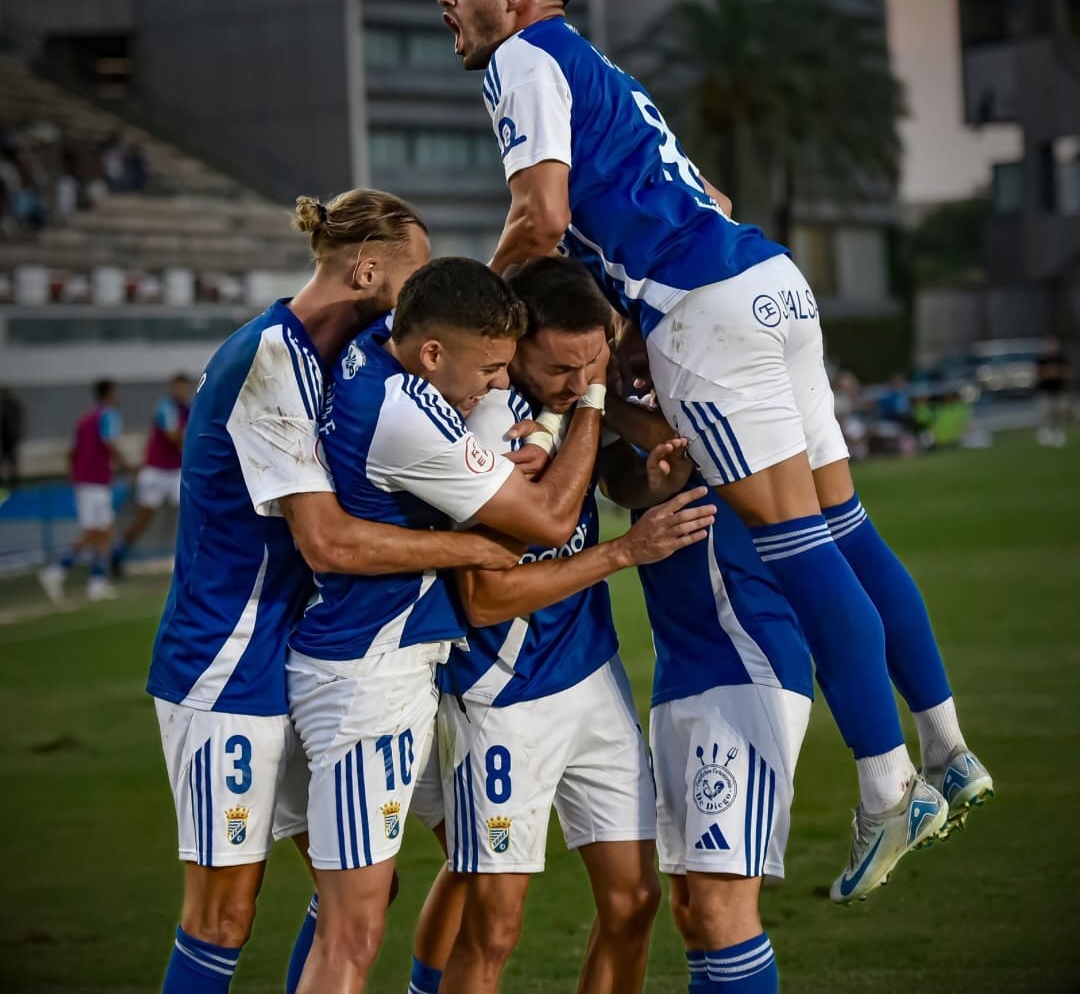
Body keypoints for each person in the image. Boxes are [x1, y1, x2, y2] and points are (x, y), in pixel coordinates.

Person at [439, 0, 992, 905]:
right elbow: (714, 191)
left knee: (794, 546)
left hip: (707, 309)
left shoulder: (522, 58)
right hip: (770, 281)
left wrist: (467, 322)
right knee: (844, 527)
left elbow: (542, 216)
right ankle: (947, 747)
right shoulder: (597, 67)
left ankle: (884, 783)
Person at [146, 190, 522, 994]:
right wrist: (479, 546)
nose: (422, 296)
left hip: (291, 652)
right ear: (366, 269)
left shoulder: (341, 352)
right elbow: (327, 541)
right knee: (221, 918)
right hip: (224, 662)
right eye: (412, 273)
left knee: (359, 889)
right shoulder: (270, 361)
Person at [405, 256, 713, 994]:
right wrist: (623, 552)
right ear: (514, 347)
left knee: (634, 903)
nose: (580, 385)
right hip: (501, 697)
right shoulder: (481, 422)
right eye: (560, 369)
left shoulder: (573, 394)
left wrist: (650, 480)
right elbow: (483, 598)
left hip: (591, 675)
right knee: (497, 927)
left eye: (592, 364)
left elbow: (607, 469)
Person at [601, 387, 813, 994]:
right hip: (679, 673)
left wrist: (590, 391)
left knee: (722, 910)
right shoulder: (638, 408)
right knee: (692, 911)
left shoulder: (708, 391)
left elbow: (684, 444)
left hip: (744, 667)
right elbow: (620, 480)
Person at [39, 378, 127, 602]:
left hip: (86, 481)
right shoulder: (108, 416)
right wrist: (126, 463)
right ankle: (55, 571)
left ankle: (96, 583)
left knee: (106, 531)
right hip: (95, 482)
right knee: (93, 533)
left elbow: (71, 451)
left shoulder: (83, 420)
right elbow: (110, 442)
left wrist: (75, 474)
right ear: (109, 394)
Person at [112, 373, 193, 575]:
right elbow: (173, 436)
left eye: (184, 388)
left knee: (190, 514)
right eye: (178, 388)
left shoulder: (190, 409)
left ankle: (188, 559)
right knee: (144, 519)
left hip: (176, 471)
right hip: (156, 470)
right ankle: (119, 550)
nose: (181, 392)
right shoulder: (165, 407)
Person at [1036, 337, 1071, 448]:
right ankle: (1047, 434)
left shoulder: (1061, 358)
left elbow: (1067, 372)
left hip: (1059, 391)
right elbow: (1040, 374)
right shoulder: (1042, 359)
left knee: (1060, 412)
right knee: (1046, 413)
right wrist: (1052, 373)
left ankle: (1059, 433)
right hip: (1046, 391)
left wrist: (1055, 372)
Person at [0, 385, 24, 487]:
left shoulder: (11, 406)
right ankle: (11, 478)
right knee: (8, 458)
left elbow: (20, 417)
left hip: (10, 437)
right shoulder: (9, 406)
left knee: (11, 458)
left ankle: (13, 479)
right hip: (7, 437)